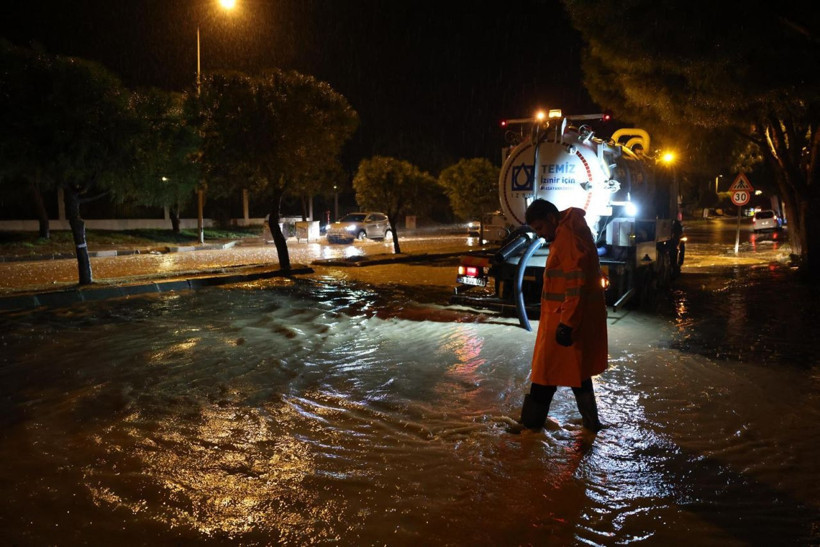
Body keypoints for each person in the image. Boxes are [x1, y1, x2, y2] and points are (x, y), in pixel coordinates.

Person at [519, 199, 608, 432]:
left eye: (540, 228)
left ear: (551, 218)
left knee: (544, 374)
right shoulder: (569, 231)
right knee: (577, 372)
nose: (540, 234)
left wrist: (566, 324)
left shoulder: (567, 237)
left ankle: (528, 431)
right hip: (571, 318)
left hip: (564, 320)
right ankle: (592, 426)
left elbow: (575, 283)